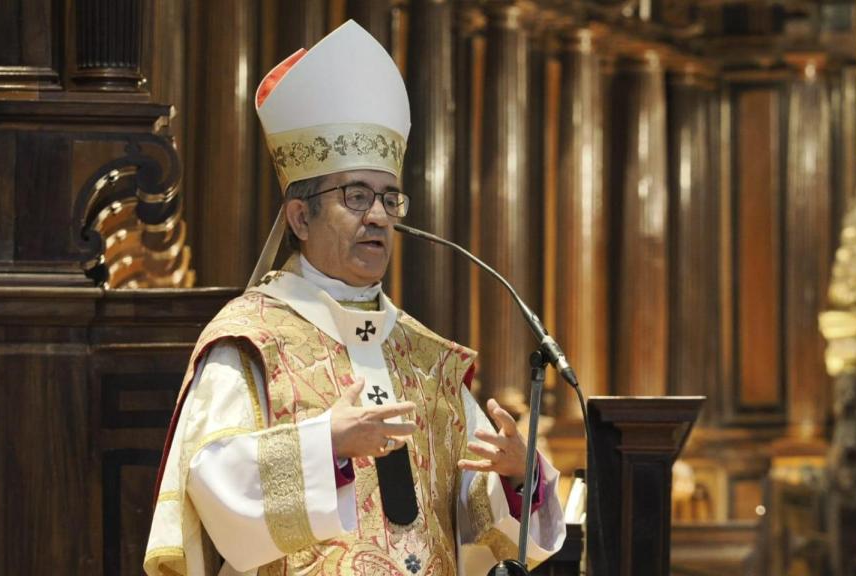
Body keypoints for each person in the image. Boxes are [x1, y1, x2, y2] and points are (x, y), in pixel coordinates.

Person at [143, 20, 565, 576]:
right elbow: (211, 483)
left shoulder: (427, 357)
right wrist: (326, 447)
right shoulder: (252, 340)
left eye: (390, 198)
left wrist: (515, 476)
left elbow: (472, 522)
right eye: (356, 195)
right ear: (300, 216)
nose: (379, 216)